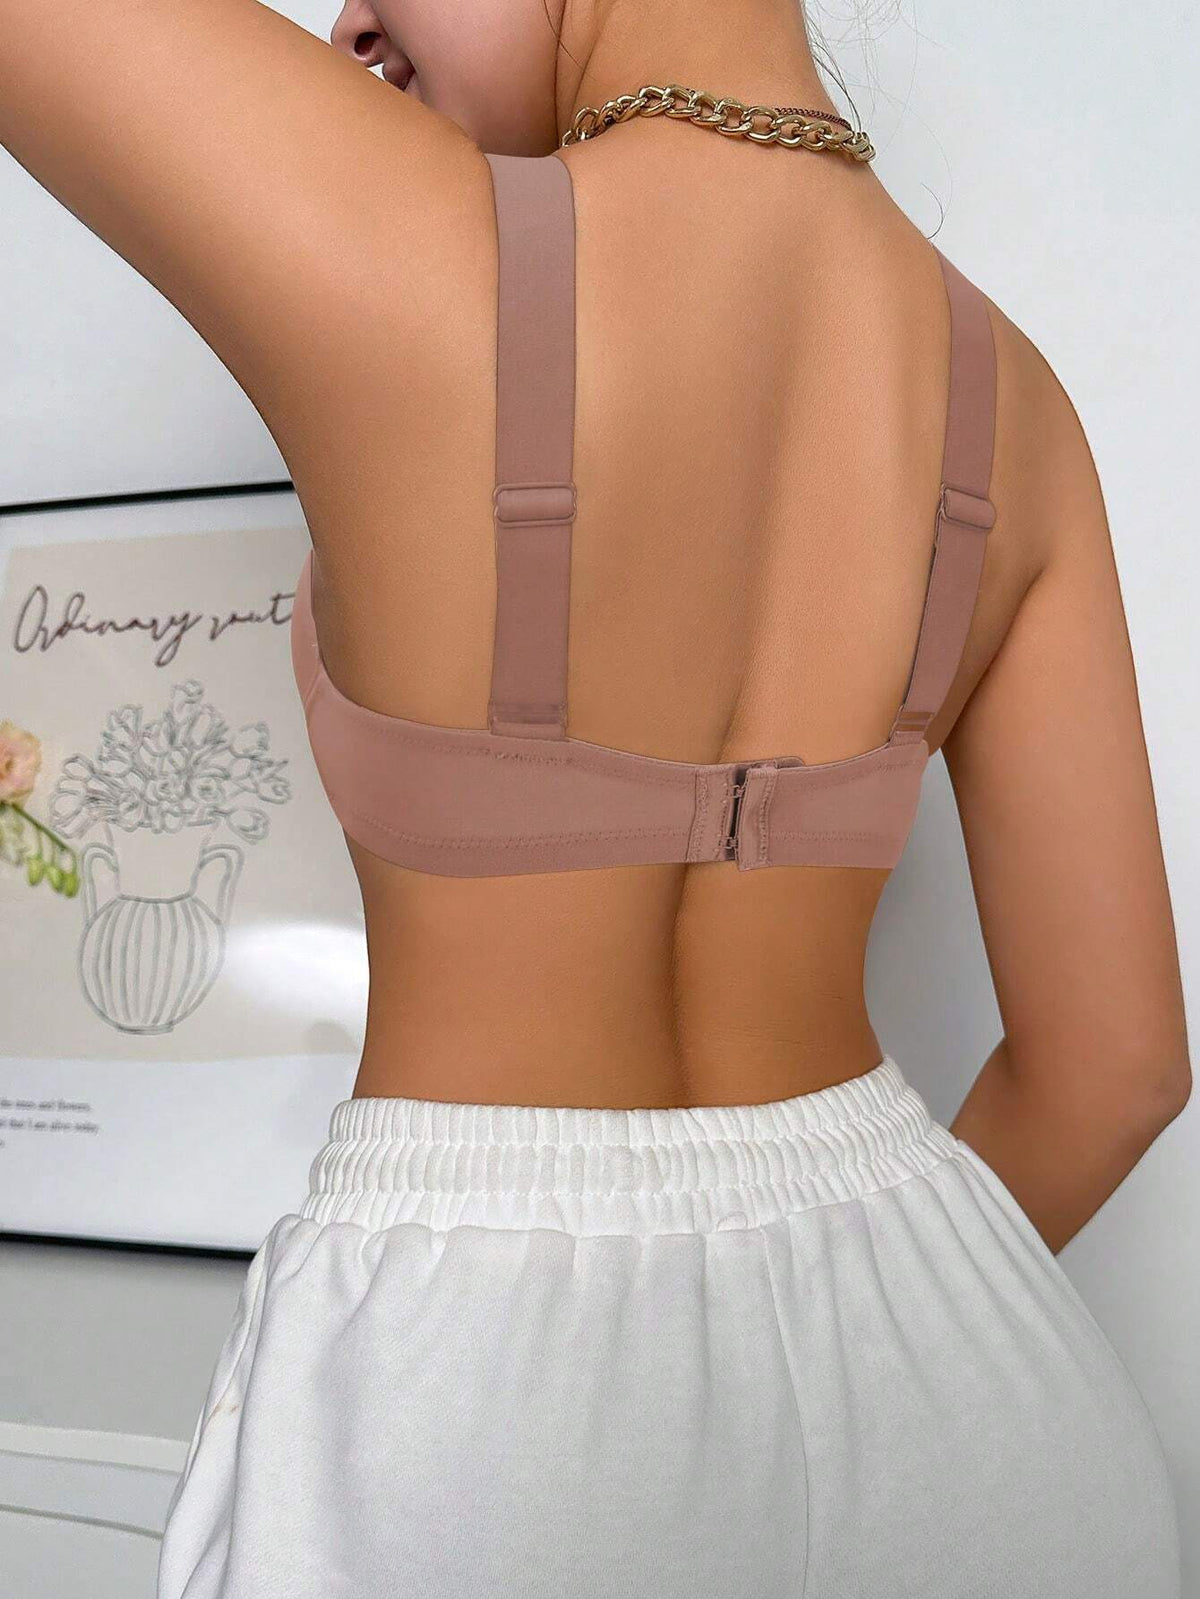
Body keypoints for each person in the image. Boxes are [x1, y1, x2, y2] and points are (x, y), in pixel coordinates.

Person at [0, 0, 1190, 1594]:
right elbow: (1116, 1071)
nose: (349, 24)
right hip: (983, 1411)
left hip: (482, 1432)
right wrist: (830, 1336)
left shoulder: (408, 244)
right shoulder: (1014, 400)